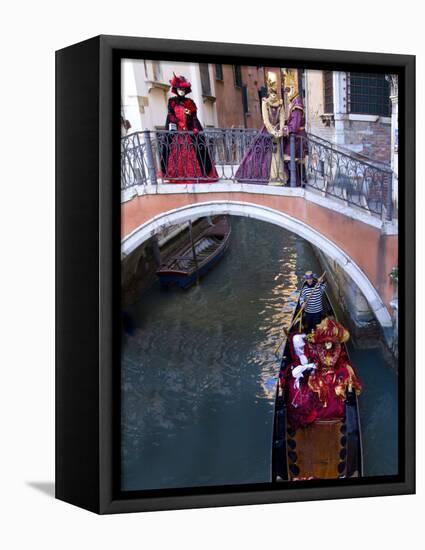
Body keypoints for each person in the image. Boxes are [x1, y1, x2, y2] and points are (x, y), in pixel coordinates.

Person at [160, 73, 218, 183]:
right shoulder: (171, 102)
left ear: (186, 90)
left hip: (189, 130)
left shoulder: (190, 102)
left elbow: (193, 115)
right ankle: (176, 175)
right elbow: (171, 115)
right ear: (176, 89)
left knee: (197, 150)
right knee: (175, 152)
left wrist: (193, 125)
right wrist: (176, 125)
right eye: (179, 89)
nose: (181, 91)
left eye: (183, 89)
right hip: (176, 132)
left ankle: (198, 174)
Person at [235, 74, 286, 185]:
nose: (273, 93)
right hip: (267, 132)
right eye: (271, 89)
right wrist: (273, 131)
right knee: (263, 155)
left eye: (274, 89)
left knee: (277, 154)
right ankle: (270, 177)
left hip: (277, 132)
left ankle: (278, 176)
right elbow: (266, 120)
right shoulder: (265, 102)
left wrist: (280, 130)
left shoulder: (281, 103)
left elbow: (282, 118)